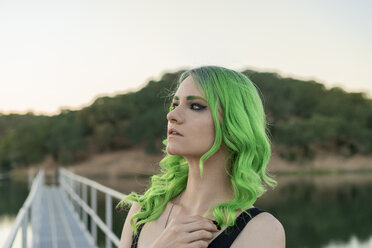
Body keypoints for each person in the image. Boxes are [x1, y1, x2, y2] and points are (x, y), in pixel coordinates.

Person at [118, 66, 285, 248]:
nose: (171, 115)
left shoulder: (261, 230)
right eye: (175, 104)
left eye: (196, 106)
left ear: (233, 125)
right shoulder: (144, 210)